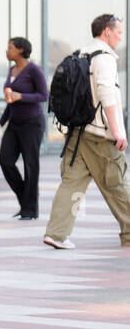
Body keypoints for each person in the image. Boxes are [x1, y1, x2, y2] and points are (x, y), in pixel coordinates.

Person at [43, 14, 130, 249]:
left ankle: (56, 234)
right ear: (106, 32)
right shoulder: (105, 59)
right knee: (117, 184)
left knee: (70, 185)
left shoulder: (80, 55)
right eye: (118, 32)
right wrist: (117, 132)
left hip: (77, 132)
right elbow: (107, 95)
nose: (120, 36)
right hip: (100, 137)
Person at [0, 37, 49, 220]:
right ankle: (25, 200)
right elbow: (10, 101)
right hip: (14, 122)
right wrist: (0, 123)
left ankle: (30, 209)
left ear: (20, 50)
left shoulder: (34, 70)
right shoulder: (11, 70)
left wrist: (21, 96)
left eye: (9, 47)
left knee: (30, 165)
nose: (6, 50)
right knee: (5, 160)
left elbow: (44, 95)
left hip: (32, 123)